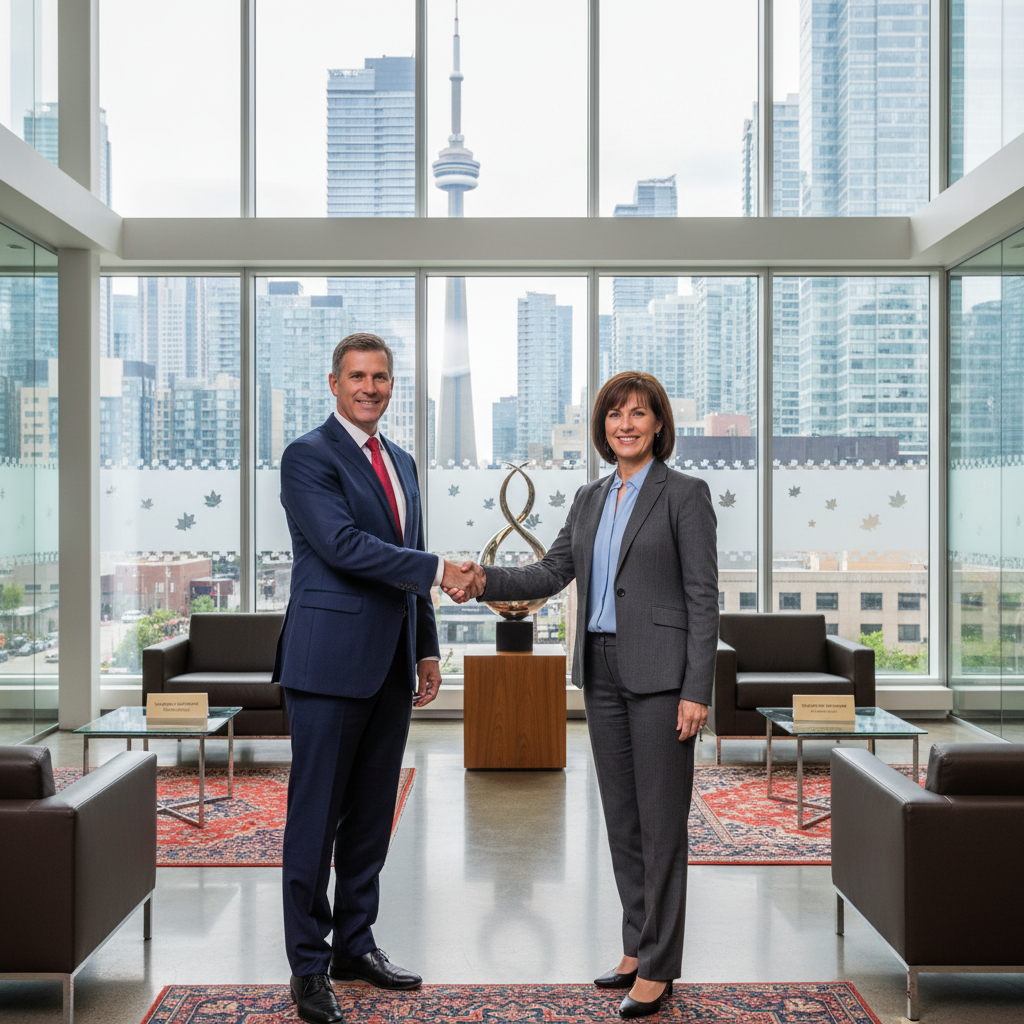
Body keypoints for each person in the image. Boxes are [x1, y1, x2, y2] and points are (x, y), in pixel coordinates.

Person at [447, 371, 719, 1020]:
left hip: (661, 679)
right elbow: (549, 571)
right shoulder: (590, 498)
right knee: (623, 822)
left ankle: (658, 968)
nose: (626, 424)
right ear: (602, 427)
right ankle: (634, 946)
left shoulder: (684, 494)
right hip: (599, 671)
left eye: (639, 414)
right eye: (614, 414)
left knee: (662, 828)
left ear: (658, 424)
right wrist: (482, 578)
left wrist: (695, 689)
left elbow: (703, 597)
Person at [275, 332, 482, 1024]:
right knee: (315, 819)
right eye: (358, 376)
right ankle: (308, 966)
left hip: (391, 663)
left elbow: (405, 559)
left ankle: (354, 945)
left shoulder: (402, 461)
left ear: (393, 386)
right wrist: (434, 569)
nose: (370, 387)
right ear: (333, 383)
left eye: (382, 377)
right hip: (328, 664)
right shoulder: (308, 456)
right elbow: (341, 546)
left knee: (370, 818)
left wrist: (425, 646)